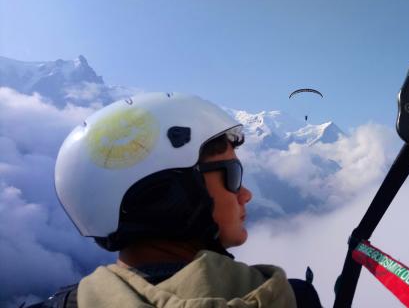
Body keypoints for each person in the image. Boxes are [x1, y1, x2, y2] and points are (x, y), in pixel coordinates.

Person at [29, 92, 322, 307]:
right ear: (168, 196)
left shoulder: (60, 304)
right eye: (232, 175)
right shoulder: (292, 298)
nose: (245, 194)